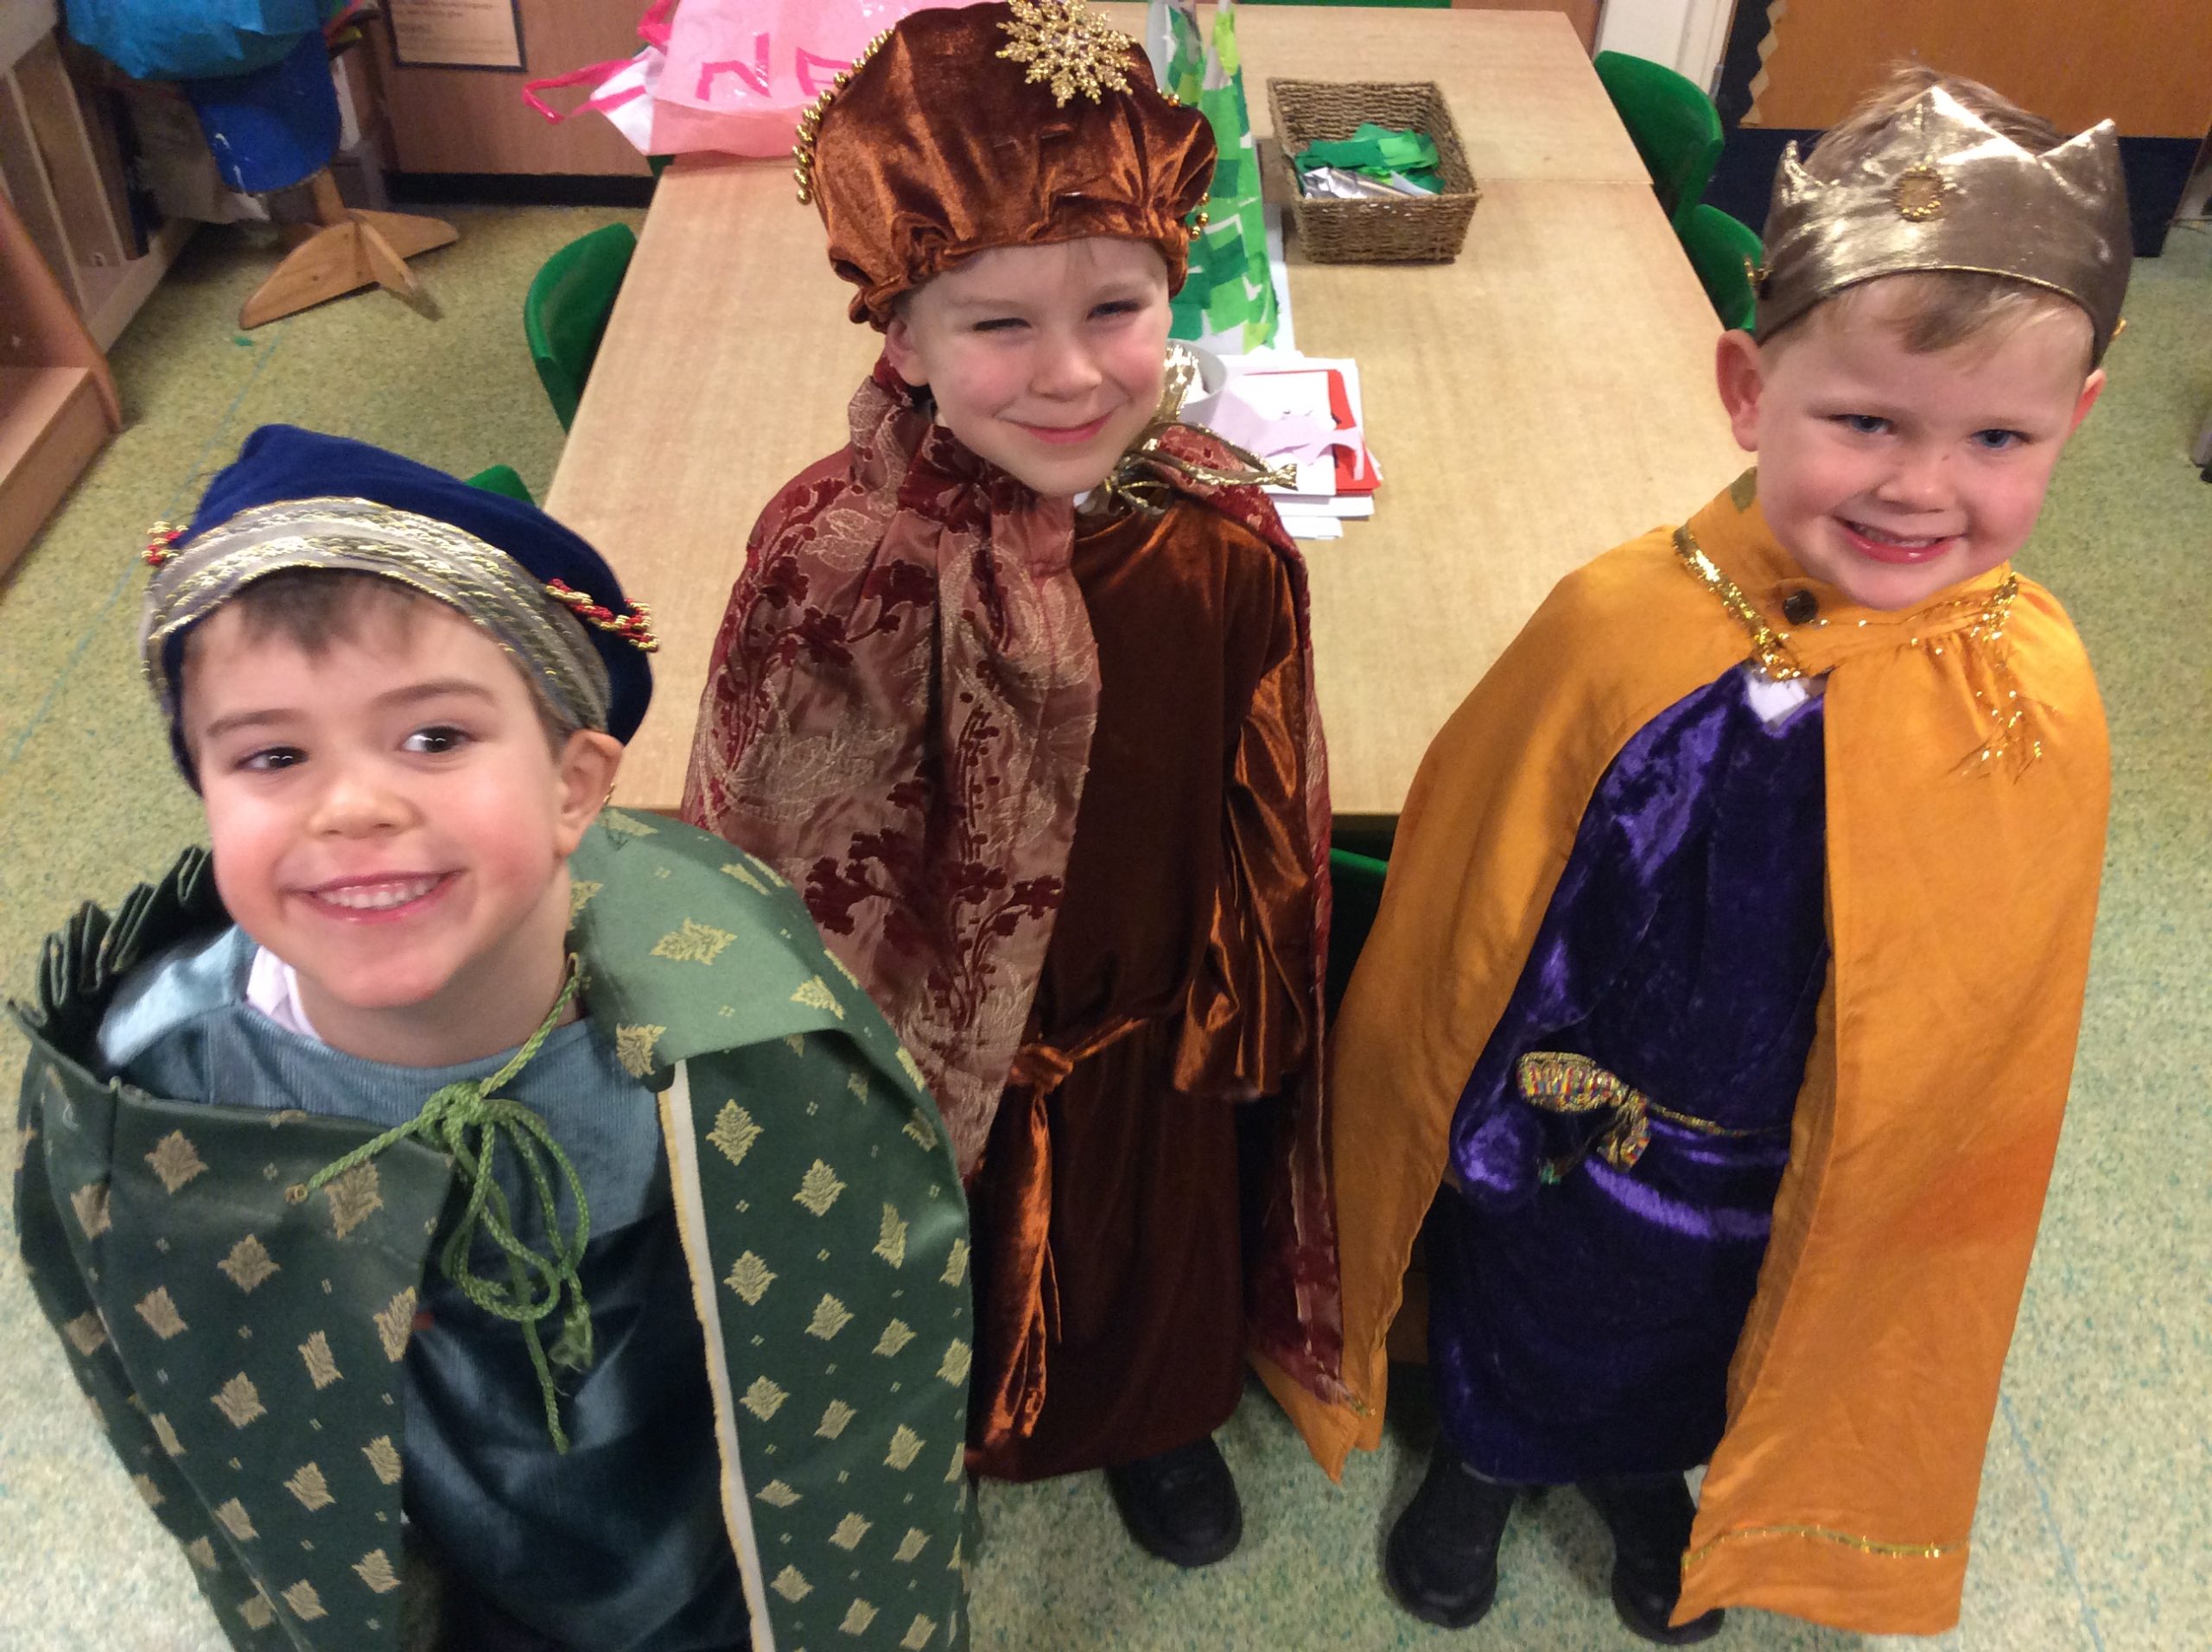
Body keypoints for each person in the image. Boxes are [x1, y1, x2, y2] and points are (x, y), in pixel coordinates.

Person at [1270, 69, 2130, 1642]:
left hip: (1802, 1140)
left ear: (2075, 424)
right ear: (1748, 389)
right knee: (1540, 1284)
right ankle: (1483, 1455)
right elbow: (1481, 904)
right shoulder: (1624, 626)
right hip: (1578, 1105)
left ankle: (1648, 1472)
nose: (1920, 485)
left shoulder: (2036, 692)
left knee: (1727, 1317)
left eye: (1996, 436)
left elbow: (2002, 1003)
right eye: (1864, 420)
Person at [12, 426, 974, 1652]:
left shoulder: (740, 1027)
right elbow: (185, 1391)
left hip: (706, 1528)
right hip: (425, 1535)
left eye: (435, 738)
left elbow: (854, 1350)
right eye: (272, 755)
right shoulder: (158, 1086)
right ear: (205, 789)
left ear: (574, 786)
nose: (354, 805)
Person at [681, 1, 1343, 1568]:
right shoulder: (838, 564)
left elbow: (1265, 799)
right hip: (913, 1068)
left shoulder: (1215, 543)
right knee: (925, 1285)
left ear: (1176, 291)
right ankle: (925, 1430)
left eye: (1117, 307)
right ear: (902, 337)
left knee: (1142, 1256)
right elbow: (762, 840)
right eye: (997, 324)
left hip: (1138, 1040)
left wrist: (1245, 1006)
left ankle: (1148, 1418)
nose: (1070, 375)